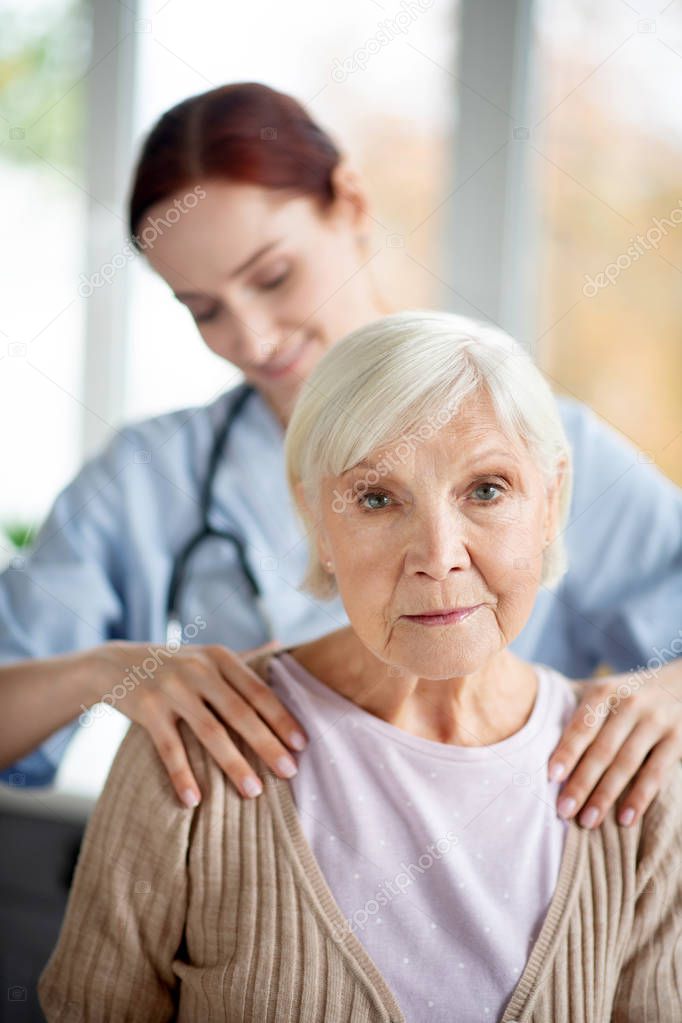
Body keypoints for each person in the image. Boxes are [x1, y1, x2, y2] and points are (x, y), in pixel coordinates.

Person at [1, 83, 681, 835]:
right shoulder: (149, 477)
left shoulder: (543, 445)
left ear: (351, 203)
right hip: (252, 897)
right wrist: (105, 671)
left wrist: (673, 691)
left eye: (272, 277)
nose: (253, 339)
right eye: (205, 309)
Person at [38, 312, 682, 1022]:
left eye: (487, 489)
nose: (438, 554)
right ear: (317, 520)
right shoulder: (192, 747)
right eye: (377, 498)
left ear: (551, 501)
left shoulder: (637, 782)